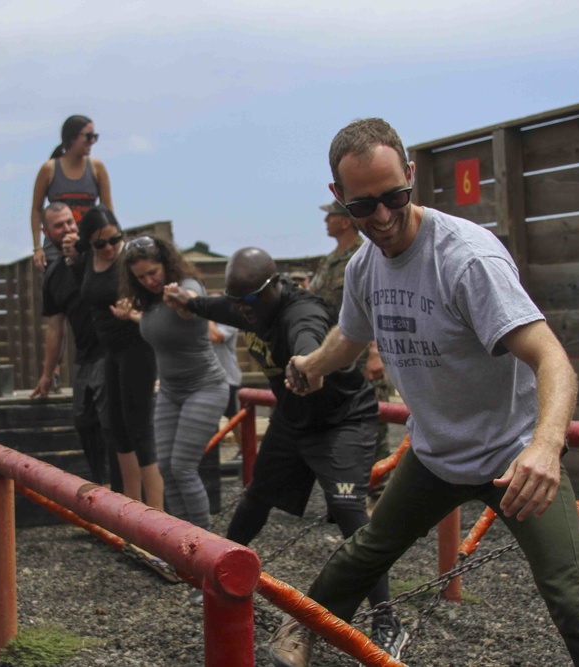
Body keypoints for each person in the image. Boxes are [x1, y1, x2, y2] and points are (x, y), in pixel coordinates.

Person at [271, 117, 579, 667]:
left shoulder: (467, 261)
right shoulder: (364, 268)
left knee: (570, 593)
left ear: (412, 176)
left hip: (513, 455)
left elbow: (553, 360)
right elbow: (350, 338)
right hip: (436, 455)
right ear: (338, 198)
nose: (382, 217)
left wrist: (544, 448)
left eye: (394, 197)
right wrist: (310, 365)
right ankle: (301, 628)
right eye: (362, 206)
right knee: (367, 551)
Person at [163, 248, 402, 655]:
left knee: (348, 510)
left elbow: (307, 338)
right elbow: (219, 306)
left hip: (341, 419)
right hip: (294, 420)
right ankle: (217, 579)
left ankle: (386, 617)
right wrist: (186, 301)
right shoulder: (249, 306)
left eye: (251, 301)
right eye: (239, 302)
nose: (245, 311)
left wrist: (306, 363)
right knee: (256, 498)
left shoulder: (300, 312)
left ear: (274, 285)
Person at [115, 235, 228, 536]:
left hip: (205, 387)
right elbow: (159, 323)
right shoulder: (150, 302)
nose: (149, 280)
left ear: (166, 264)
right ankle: (182, 541)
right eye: (140, 277)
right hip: (170, 391)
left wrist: (182, 300)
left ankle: (204, 544)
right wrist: (131, 315)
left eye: (153, 272)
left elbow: (188, 308)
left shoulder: (187, 288)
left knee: (183, 467)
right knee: (165, 467)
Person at [308, 199, 394, 513]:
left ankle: (381, 498)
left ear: (345, 221)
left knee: (373, 430)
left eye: (329, 215)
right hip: (337, 358)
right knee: (341, 431)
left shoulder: (366, 254)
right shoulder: (329, 261)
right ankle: (348, 499)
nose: (325, 222)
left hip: (361, 359)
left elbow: (378, 305)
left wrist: (376, 352)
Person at [79, 206, 163, 509]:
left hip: (137, 348)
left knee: (139, 426)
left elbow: (158, 301)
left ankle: (157, 513)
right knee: (116, 427)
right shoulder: (87, 259)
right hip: (110, 351)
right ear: (89, 243)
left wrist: (134, 314)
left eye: (115, 239)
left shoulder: (129, 262)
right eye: (101, 244)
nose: (111, 247)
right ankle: (132, 505)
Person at [30, 202, 114, 487]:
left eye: (70, 222)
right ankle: (103, 489)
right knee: (84, 422)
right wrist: (47, 372)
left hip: (110, 351)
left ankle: (124, 496)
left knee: (111, 425)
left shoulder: (98, 255)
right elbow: (55, 327)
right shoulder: (53, 273)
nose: (67, 229)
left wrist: (79, 256)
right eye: (59, 225)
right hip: (84, 356)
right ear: (46, 232)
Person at [30, 115, 114, 270]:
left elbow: (108, 210)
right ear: (72, 137)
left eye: (95, 137)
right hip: (56, 249)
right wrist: (37, 248)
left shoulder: (97, 168)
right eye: (88, 136)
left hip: (89, 247)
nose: (92, 141)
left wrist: (109, 243)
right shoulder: (49, 169)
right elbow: (36, 209)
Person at [208, 317, 244, 448]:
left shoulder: (228, 321)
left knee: (233, 416)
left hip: (227, 378)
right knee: (209, 416)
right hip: (208, 378)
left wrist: (206, 317)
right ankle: (211, 453)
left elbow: (215, 336)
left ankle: (245, 450)